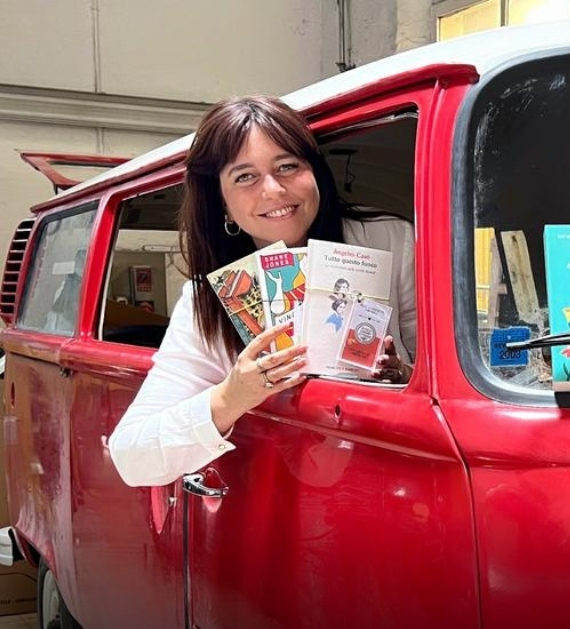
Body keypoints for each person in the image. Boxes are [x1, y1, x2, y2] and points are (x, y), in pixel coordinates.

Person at [108, 95, 417, 487]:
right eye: (244, 176)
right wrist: (233, 395)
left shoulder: (389, 238)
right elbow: (132, 457)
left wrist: (403, 372)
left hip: (395, 474)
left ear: (315, 173)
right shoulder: (206, 300)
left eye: (288, 166)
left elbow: (433, 362)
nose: (273, 189)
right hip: (282, 491)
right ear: (221, 201)